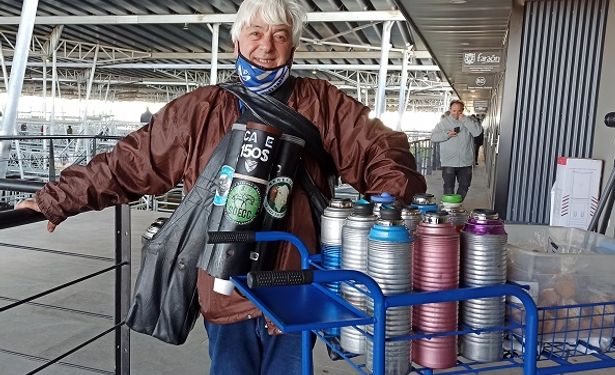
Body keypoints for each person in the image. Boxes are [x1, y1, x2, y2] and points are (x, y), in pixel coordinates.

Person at [16, 0, 427, 373]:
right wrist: (56, 200)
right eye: (256, 33)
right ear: (237, 41)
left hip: (295, 279)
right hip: (224, 279)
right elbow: (132, 161)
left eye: (280, 35)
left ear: (293, 46)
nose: (267, 45)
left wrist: (389, 206)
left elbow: (381, 148)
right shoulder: (201, 109)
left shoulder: (323, 103)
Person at [431, 99, 482, 199]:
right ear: (450, 110)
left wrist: (465, 120)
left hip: (465, 161)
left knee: (465, 186)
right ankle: (449, 208)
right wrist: (447, 134)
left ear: (462, 111)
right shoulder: (443, 123)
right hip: (449, 161)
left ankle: (457, 205)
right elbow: (433, 137)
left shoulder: (468, 121)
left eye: (459, 111)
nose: (456, 113)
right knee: (449, 187)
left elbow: (477, 132)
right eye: (454, 111)